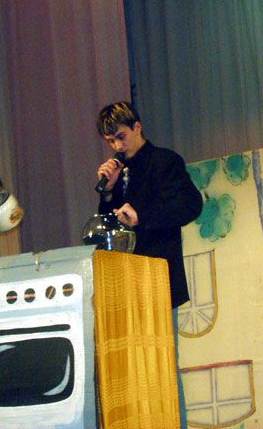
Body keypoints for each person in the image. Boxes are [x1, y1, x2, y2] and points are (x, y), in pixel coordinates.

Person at [95, 101, 203, 428]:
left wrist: (142, 217)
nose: (117, 146)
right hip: (125, 280)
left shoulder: (164, 161)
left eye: (121, 136)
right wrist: (107, 192)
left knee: (163, 365)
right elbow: (108, 227)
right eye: (110, 141)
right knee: (132, 368)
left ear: (138, 127)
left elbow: (190, 205)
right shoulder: (119, 171)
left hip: (158, 276)